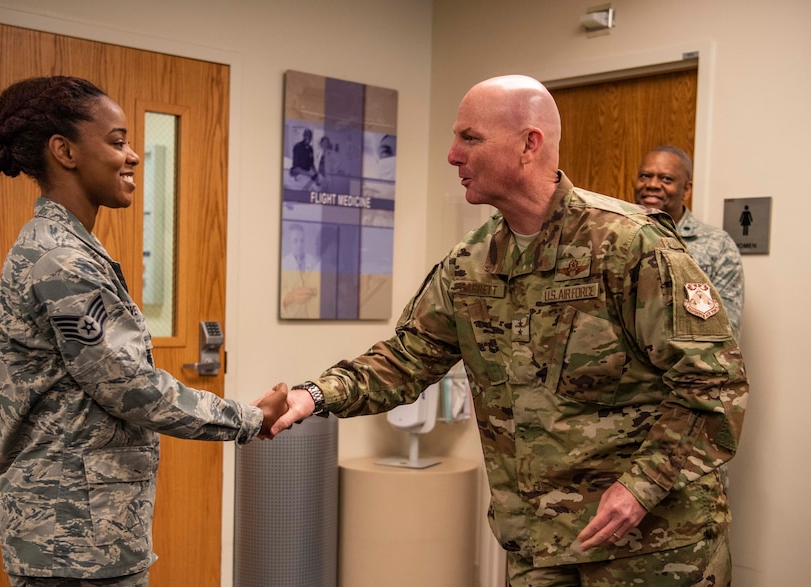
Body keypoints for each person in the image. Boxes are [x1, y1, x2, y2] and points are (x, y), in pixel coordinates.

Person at [271, 75, 748, 586]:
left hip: (652, 549)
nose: (453, 155)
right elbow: (406, 358)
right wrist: (315, 394)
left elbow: (713, 385)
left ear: (529, 144)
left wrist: (640, 486)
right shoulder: (470, 265)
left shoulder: (630, 245)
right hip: (538, 548)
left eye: (469, 138)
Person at [0, 76, 287, 586]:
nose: (133, 156)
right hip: (71, 540)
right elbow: (133, 389)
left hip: (86, 533)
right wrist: (247, 418)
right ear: (64, 151)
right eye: (116, 142)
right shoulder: (62, 260)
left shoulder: (68, 248)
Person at [633, 145, 744, 336]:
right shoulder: (615, 237)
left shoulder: (717, 245)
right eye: (645, 176)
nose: (651, 184)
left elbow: (726, 328)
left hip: (686, 363)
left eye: (666, 179)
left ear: (686, 190)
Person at [280, 223, 320, 318]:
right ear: (289, 243)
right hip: (290, 319)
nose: (300, 244)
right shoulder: (282, 264)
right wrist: (291, 297)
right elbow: (275, 298)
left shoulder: (313, 262)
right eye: (295, 241)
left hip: (311, 318)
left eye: (302, 241)